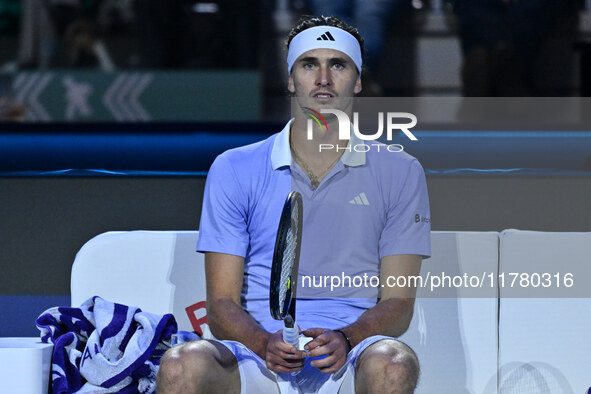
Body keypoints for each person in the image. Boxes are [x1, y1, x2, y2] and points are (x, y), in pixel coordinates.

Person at [156, 15, 431, 394]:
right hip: (256, 356)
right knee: (178, 367)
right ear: (290, 79)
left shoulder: (401, 171)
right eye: (308, 64)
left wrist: (347, 338)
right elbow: (221, 303)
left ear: (358, 79)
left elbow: (399, 302)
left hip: (352, 356)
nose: (322, 78)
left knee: (394, 364)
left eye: (337, 64)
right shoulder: (234, 167)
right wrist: (261, 342)